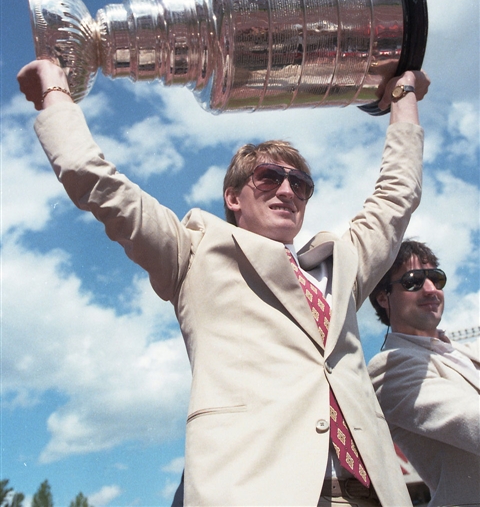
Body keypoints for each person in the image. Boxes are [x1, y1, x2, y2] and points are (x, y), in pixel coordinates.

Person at [17, 58, 429, 507]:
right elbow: (101, 184)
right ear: (234, 197)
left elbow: (396, 194)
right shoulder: (192, 252)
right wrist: (55, 95)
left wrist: (403, 97)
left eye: (301, 184)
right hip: (256, 490)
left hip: (374, 493)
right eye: (269, 178)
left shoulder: (343, 264)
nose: (288, 190)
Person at [368, 240, 480, 507]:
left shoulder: (465, 352)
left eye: (436, 279)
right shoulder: (390, 369)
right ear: (383, 297)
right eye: (413, 281)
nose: (431, 290)